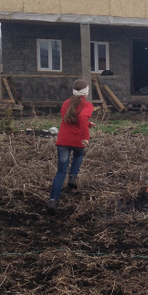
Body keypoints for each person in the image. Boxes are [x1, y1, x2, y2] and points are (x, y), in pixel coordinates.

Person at [47, 79, 95, 212]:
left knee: (60, 172)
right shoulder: (87, 105)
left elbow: (68, 119)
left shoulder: (66, 103)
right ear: (86, 92)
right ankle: (73, 176)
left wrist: (88, 124)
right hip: (78, 141)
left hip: (63, 141)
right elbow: (81, 118)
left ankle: (53, 201)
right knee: (79, 155)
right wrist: (86, 137)